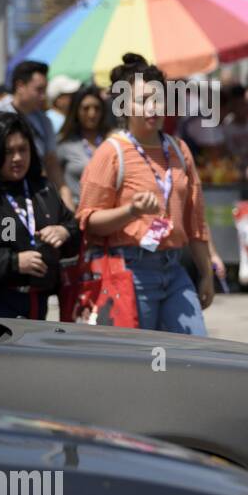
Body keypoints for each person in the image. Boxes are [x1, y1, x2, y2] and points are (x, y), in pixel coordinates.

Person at [76, 53, 215, 335]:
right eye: (143, 101)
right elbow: (87, 222)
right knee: (138, 361)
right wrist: (130, 212)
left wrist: (207, 273)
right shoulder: (111, 153)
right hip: (130, 271)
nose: (153, 107)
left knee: (194, 351)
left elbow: (195, 222)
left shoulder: (179, 149)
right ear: (124, 105)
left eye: (159, 99)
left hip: (175, 269)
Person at [0, 111, 80, 318]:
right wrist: (13, 262)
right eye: (8, 152)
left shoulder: (42, 190)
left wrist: (64, 231)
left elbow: (74, 229)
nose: (17, 158)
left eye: (23, 150)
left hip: (38, 306)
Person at [0, 61, 67, 200]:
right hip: (1, 195)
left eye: (45, 90)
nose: (43, 96)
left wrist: (64, 194)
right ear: (20, 86)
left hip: (35, 195)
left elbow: (51, 162)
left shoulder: (44, 121)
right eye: (39, 89)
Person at [57, 85, 112, 206]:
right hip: (76, 212)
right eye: (86, 108)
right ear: (76, 111)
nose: (92, 114)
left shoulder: (112, 141)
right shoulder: (64, 144)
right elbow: (56, 182)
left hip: (109, 214)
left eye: (97, 108)